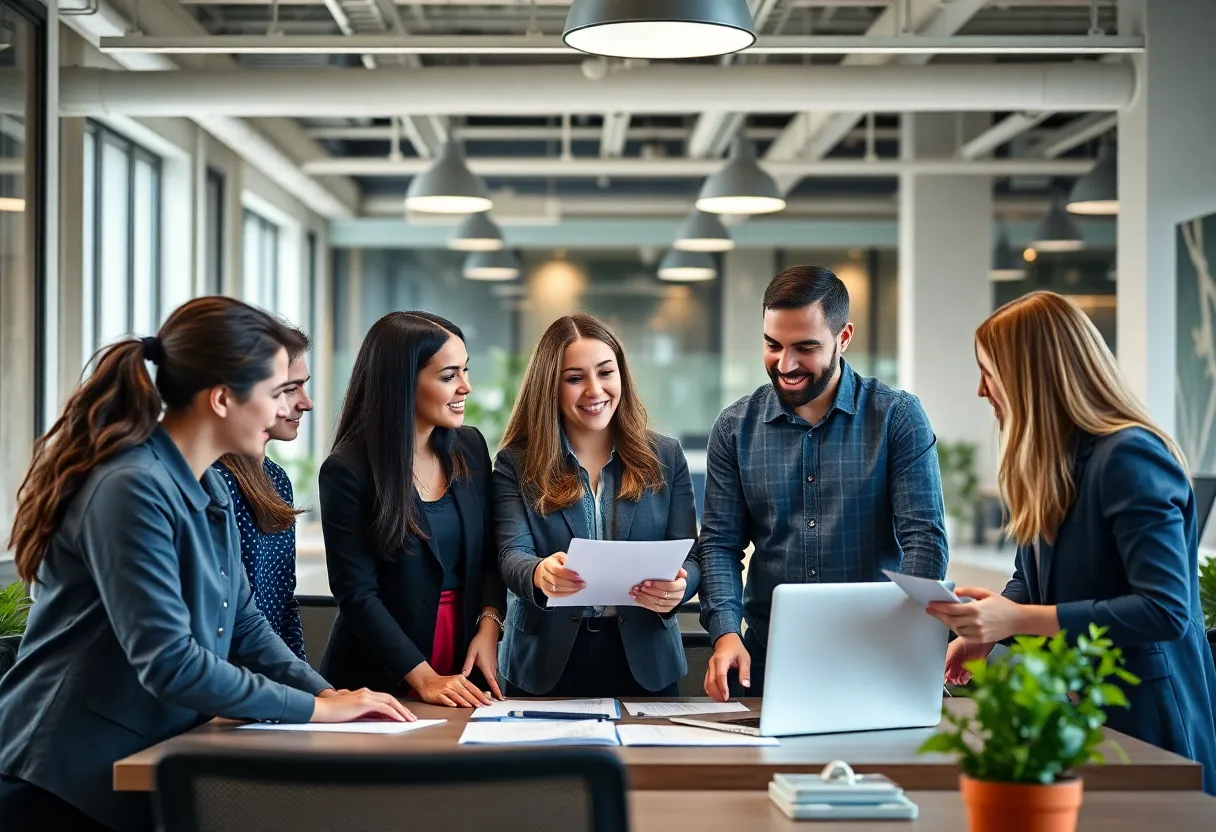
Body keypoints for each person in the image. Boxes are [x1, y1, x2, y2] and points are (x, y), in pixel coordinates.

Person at [0, 297, 413, 832]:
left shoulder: (210, 481)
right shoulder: (131, 487)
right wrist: (317, 711)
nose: (281, 410)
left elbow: (243, 623)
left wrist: (327, 694)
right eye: (274, 393)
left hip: (140, 753)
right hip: (59, 774)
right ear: (222, 399)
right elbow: (170, 661)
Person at [926, 290, 1216, 796]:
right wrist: (992, 626)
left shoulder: (1130, 458)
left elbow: (1164, 610)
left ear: (1031, 377)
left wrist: (1014, 620)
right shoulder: (1050, 466)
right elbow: (1031, 580)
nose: (980, 390)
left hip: (1149, 720)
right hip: (1081, 714)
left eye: (989, 373)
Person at [698, 265, 948, 701]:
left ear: (844, 337)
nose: (786, 364)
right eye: (773, 345)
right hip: (767, 653)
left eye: (805, 347)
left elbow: (924, 540)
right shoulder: (735, 427)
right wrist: (725, 634)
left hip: (878, 649)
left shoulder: (896, 418)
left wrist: (906, 635)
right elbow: (720, 544)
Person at [495, 313, 700, 697]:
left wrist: (680, 587)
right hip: (545, 662)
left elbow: (692, 555)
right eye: (575, 378)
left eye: (605, 373)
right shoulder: (515, 463)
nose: (595, 390)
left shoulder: (666, 456)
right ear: (549, 388)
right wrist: (539, 572)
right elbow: (510, 553)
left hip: (647, 660)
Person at [319, 311, 506, 707]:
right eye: (449, 376)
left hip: (463, 657)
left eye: (466, 371)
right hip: (379, 671)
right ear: (403, 382)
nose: (466, 387)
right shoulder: (347, 470)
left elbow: (492, 553)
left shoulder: (470, 446)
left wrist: (490, 627)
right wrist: (424, 678)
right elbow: (357, 595)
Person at [212, 327, 314, 660]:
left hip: (268, 682)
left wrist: (312, 689)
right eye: (289, 389)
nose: (305, 403)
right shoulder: (211, 483)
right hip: (226, 689)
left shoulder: (276, 478)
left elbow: (284, 604)